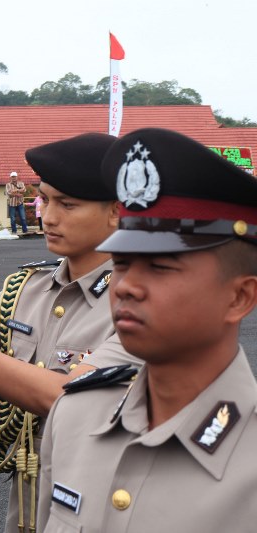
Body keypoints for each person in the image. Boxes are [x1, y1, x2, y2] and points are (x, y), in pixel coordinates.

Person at [0, 133, 138, 533]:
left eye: (67, 204)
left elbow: (61, 396)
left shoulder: (140, 304)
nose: (47, 217)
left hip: (103, 509)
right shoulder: (26, 289)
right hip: (29, 504)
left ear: (117, 213)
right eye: (44, 199)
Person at [38, 127, 257, 532]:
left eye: (160, 267)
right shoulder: (76, 416)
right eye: (121, 264)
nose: (127, 287)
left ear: (239, 297)